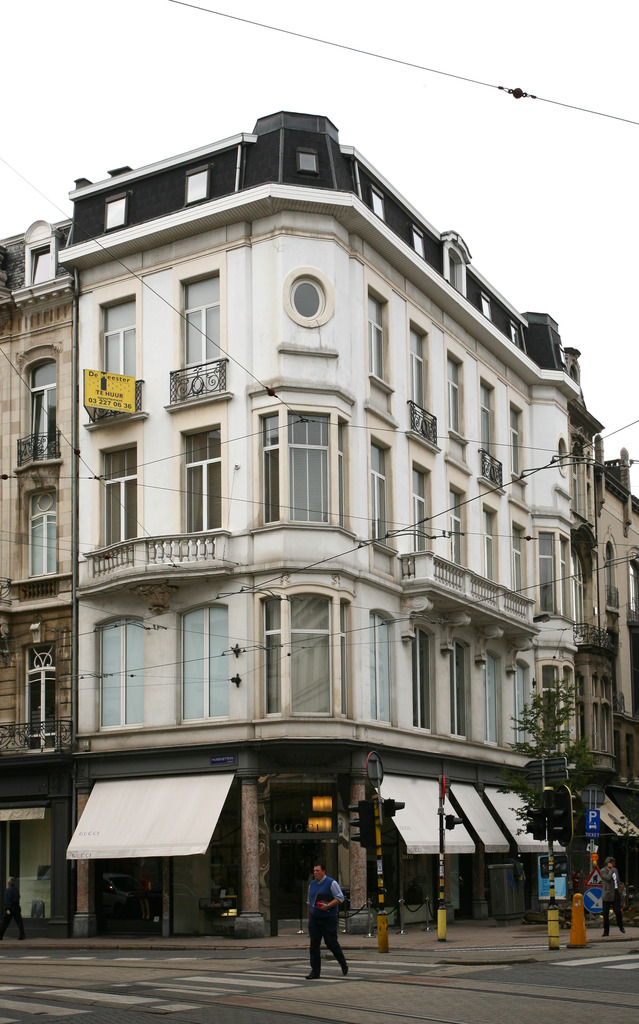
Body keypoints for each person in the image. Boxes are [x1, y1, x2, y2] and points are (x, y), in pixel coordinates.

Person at [306, 863, 348, 979]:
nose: (315, 873)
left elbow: (340, 898)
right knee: (314, 945)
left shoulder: (331, 883)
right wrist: (309, 916)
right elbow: (309, 901)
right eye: (314, 871)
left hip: (328, 918)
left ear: (323, 871)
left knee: (331, 943)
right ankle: (315, 971)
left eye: (317, 871)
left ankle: (343, 963)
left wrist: (328, 905)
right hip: (315, 918)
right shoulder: (312, 884)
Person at [601, 855, 625, 936]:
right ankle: (606, 931)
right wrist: (611, 870)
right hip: (607, 893)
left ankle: (620, 925)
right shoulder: (603, 871)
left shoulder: (615, 870)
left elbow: (617, 881)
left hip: (616, 892)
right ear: (608, 863)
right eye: (612, 863)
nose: (613, 864)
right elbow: (607, 878)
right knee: (605, 913)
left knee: (618, 910)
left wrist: (620, 892)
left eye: (614, 863)